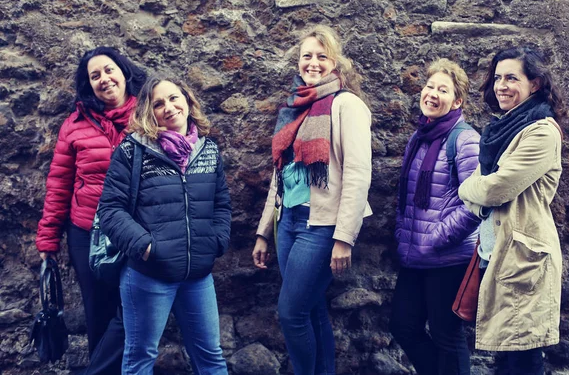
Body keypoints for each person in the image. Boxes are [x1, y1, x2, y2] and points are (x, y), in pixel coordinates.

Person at [252, 25, 372, 375]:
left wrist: (344, 238)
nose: (313, 63)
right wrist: (263, 232)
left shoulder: (346, 105)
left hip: (321, 226)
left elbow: (357, 174)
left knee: (291, 313)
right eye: (307, 56)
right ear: (298, 61)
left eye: (322, 56)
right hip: (287, 221)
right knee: (312, 309)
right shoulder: (295, 106)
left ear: (335, 62)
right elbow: (281, 174)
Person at [97, 77, 230, 375]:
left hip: (198, 275)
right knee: (140, 357)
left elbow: (221, 204)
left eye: (173, 98)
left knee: (211, 357)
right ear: (149, 112)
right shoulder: (133, 151)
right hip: (149, 275)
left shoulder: (208, 150)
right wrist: (145, 247)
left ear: (187, 99)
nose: (169, 108)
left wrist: (216, 241)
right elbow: (110, 210)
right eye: (158, 104)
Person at [35, 47, 146, 373]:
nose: (104, 79)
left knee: (135, 314)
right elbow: (59, 185)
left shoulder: (149, 115)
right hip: (86, 233)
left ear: (124, 73)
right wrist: (48, 239)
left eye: (108, 70)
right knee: (97, 314)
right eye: (94, 76)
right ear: (88, 85)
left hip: (136, 232)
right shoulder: (74, 125)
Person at [458, 47, 563, 375]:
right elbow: (487, 185)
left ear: (534, 84)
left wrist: (465, 191)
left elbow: (493, 188)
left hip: (524, 257)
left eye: (511, 78)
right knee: (505, 351)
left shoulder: (541, 131)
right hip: (495, 252)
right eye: (498, 78)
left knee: (523, 352)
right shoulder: (501, 130)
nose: (501, 85)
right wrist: (480, 192)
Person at [389, 58, 481, 375]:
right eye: (429, 86)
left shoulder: (465, 140)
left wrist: (438, 237)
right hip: (415, 255)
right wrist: (404, 235)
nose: (432, 94)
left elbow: (477, 203)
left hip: (449, 257)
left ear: (457, 101)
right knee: (402, 325)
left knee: (447, 337)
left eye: (443, 90)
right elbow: (406, 198)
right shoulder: (419, 137)